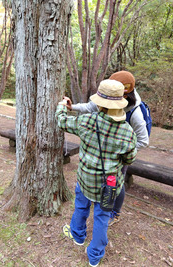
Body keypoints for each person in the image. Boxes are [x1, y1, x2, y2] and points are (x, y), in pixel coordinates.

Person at [55, 79, 137, 266]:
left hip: (85, 180)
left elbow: (61, 121)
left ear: (100, 102)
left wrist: (62, 106)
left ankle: (77, 235)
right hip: (109, 185)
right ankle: (95, 256)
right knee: (101, 217)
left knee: (81, 206)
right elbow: (129, 159)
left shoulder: (87, 121)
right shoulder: (128, 132)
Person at [64, 70, 149, 225]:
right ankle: (99, 202)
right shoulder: (107, 98)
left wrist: (123, 150)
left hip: (121, 154)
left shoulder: (135, 112)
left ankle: (115, 212)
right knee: (102, 178)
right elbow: (90, 107)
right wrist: (72, 107)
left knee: (117, 183)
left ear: (123, 94)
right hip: (106, 147)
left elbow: (143, 140)